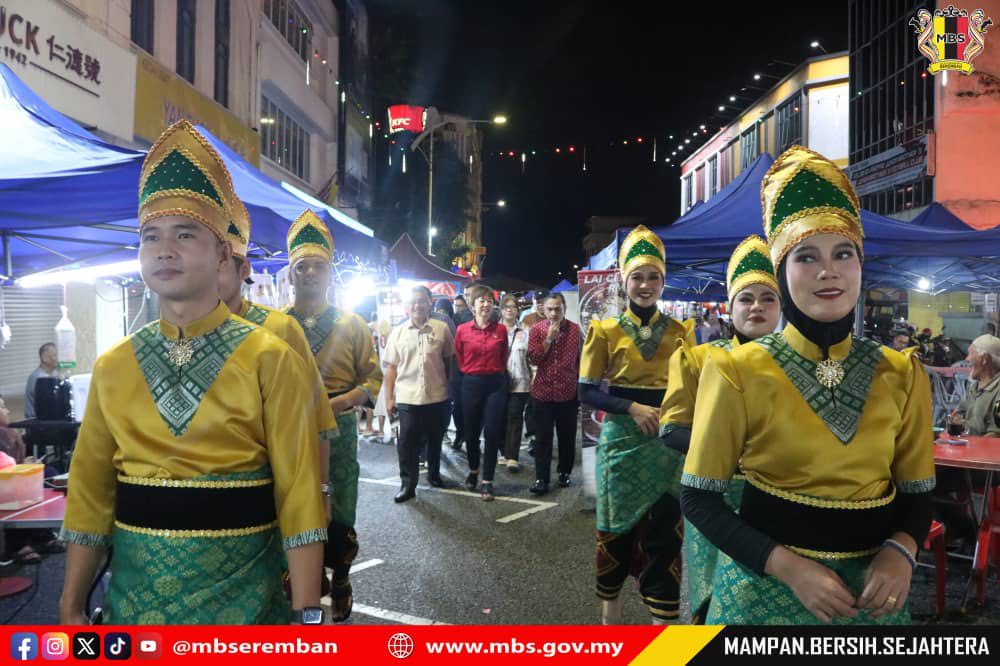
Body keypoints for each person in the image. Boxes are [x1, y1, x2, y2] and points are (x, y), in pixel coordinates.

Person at [59, 120, 326, 625]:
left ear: (223, 253)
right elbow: (91, 495)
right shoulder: (112, 366)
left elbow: (299, 495)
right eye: (150, 236)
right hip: (134, 610)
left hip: (244, 605)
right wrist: (71, 606)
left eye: (185, 234)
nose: (164, 249)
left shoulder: (270, 357)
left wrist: (307, 618)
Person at [681, 145, 935, 625]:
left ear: (861, 266)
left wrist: (901, 551)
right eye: (806, 257)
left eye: (844, 253)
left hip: (871, 600)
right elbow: (699, 497)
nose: (828, 271)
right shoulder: (737, 369)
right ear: (782, 272)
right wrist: (789, 568)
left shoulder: (902, 372)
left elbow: (918, 492)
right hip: (762, 594)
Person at [659, 235, 781, 624]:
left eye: (768, 298)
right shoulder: (698, 359)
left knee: (775, 600)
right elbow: (671, 428)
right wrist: (724, 453)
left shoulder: (799, 364)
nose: (757, 306)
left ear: (782, 306)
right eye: (746, 298)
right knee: (714, 603)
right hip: (716, 499)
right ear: (731, 307)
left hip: (783, 499)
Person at [578, 225, 696, 624]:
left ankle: (661, 634)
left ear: (664, 280)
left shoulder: (683, 332)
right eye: (638, 277)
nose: (645, 285)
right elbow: (587, 391)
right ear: (624, 281)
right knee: (615, 535)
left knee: (666, 537)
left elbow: (693, 389)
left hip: (667, 446)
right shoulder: (604, 331)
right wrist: (633, 408)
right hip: (620, 447)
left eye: (653, 277)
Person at [285, 209, 382, 622]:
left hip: (338, 429)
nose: (309, 273)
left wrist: (334, 405)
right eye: (301, 266)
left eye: (318, 266)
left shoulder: (352, 323)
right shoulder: (276, 324)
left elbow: (373, 381)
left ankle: (340, 575)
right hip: (287, 428)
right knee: (290, 504)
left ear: (330, 274)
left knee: (339, 509)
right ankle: (298, 588)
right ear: (290, 275)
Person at [217, 198, 337, 527]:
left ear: (244, 270)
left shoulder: (279, 329)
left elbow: (318, 418)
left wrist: (322, 492)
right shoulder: (161, 340)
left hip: (271, 492)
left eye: (223, 260)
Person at [383, 286, 455, 502]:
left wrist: (449, 389)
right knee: (406, 444)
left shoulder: (441, 329)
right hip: (408, 398)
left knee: (435, 440)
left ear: (430, 302)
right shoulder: (398, 332)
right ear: (407, 306)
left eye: (422, 301)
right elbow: (391, 368)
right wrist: (389, 398)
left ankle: (434, 475)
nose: (417, 305)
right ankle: (408, 484)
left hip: (437, 397)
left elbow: (449, 360)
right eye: (413, 302)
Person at [453, 285, 508, 501]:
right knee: (471, 433)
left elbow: (504, 357)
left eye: (489, 300)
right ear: (473, 306)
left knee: (492, 433)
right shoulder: (462, 330)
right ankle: (474, 469)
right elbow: (459, 357)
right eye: (481, 301)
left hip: (495, 384)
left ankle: (487, 481)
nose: (485, 304)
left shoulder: (501, 330)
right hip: (471, 384)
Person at [0, 394, 65, 565]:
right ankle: (17, 546)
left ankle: (40, 535)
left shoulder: (8, 433)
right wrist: (22, 466)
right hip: (6, 483)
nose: (7, 411)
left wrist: (26, 464)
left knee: (49, 472)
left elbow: (12, 462)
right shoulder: (2, 435)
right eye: (2, 407)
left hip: (12, 474)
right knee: (20, 488)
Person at [527, 292, 581, 494]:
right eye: (549, 309)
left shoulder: (576, 330)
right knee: (543, 439)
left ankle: (564, 473)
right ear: (543, 309)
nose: (553, 313)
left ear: (564, 308)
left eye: (558, 309)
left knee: (567, 437)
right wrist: (548, 339)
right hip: (543, 393)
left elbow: (581, 361)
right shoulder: (536, 330)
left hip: (568, 393)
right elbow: (534, 359)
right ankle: (541, 478)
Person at [501, 294, 531, 472]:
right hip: (498, 382)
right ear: (501, 310)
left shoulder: (525, 331)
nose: (510, 310)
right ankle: (503, 451)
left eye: (513, 307)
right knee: (499, 417)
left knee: (514, 416)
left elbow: (530, 358)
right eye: (506, 307)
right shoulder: (494, 330)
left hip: (521, 381)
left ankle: (512, 456)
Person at [24, 343, 58, 419]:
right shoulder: (39, 378)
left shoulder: (53, 374)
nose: (59, 359)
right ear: (44, 358)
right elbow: (50, 404)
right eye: (56, 355)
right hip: (37, 424)